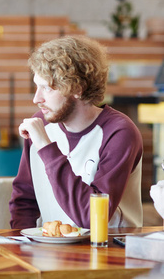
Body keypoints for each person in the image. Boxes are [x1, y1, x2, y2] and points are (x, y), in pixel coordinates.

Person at [9, 36, 143, 229]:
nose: (36, 99)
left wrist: (47, 147)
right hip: (50, 250)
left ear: (77, 88)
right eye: (36, 86)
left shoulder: (120, 133)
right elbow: (24, 200)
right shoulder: (42, 124)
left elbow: (92, 218)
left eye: (46, 88)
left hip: (109, 250)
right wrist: (21, 247)